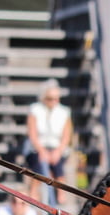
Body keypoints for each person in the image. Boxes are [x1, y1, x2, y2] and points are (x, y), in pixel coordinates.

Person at [25, 78, 72, 207]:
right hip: (38, 148)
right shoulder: (35, 109)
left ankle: (60, 194)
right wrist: (41, 150)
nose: (54, 102)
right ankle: (34, 192)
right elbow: (32, 133)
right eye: (50, 99)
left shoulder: (64, 112)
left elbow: (66, 136)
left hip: (57, 148)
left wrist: (58, 152)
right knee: (40, 163)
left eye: (57, 99)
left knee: (57, 164)